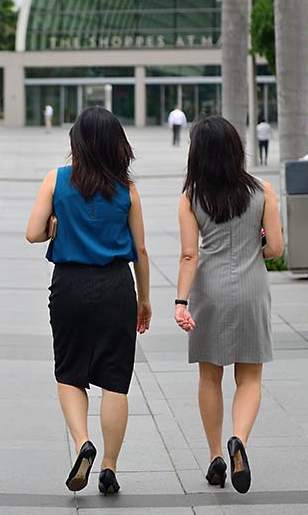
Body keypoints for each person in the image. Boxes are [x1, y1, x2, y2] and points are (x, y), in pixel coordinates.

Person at [26, 106, 151, 495]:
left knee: (69, 372)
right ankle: (110, 467)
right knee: (116, 380)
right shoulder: (127, 191)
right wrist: (144, 300)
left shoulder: (56, 180)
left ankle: (83, 443)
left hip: (69, 286)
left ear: (76, 143)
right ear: (118, 144)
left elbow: (33, 234)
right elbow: (141, 250)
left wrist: (52, 228)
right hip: (116, 286)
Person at [174, 116, 283, 495]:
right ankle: (240, 439)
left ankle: (215, 455)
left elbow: (190, 255)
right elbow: (276, 249)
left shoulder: (191, 198)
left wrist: (180, 302)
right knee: (249, 377)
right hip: (253, 288)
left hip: (210, 290)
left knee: (209, 376)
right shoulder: (263, 191)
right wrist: (259, 241)